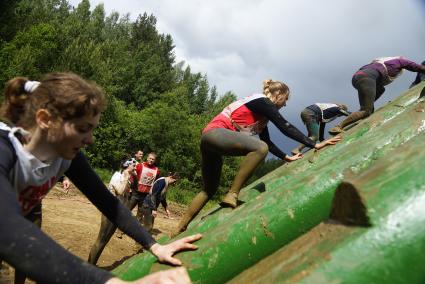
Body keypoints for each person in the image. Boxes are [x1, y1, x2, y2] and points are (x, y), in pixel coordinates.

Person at [0, 72, 201, 284]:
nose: (90, 140)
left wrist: (155, 246)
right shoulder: (4, 149)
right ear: (45, 120)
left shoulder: (64, 154)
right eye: (83, 129)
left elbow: (108, 203)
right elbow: (6, 225)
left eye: (92, 129)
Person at [174, 79, 341, 235]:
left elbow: (268, 141)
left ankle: (179, 228)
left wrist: (285, 157)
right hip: (215, 134)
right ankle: (232, 194)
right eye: (285, 100)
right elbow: (284, 126)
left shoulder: (262, 117)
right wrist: (314, 144)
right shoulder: (262, 101)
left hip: (211, 143)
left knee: (208, 189)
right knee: (260, 149)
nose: (285, 104)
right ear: (278, 95)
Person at [89, 153, 160, 264]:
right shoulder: (117, 176)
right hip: (110, 210)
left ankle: (92, 264)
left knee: (105, 241)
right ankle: (90, 266)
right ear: (127, 166)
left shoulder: (128, 177)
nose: (135, 166)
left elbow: (136, 188)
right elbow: (120, 191)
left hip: (117, 211)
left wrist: (135, 177)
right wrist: (127, 175)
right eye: (133, 165)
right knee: (101, 241)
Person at [329, 56, 425, 134]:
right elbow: (415, 66)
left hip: (359, 78)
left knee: (380, 91)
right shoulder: (400, 61)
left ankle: (366, 109)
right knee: (366, 111)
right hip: (367, 78)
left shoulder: (381, 62)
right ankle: (338, 127)